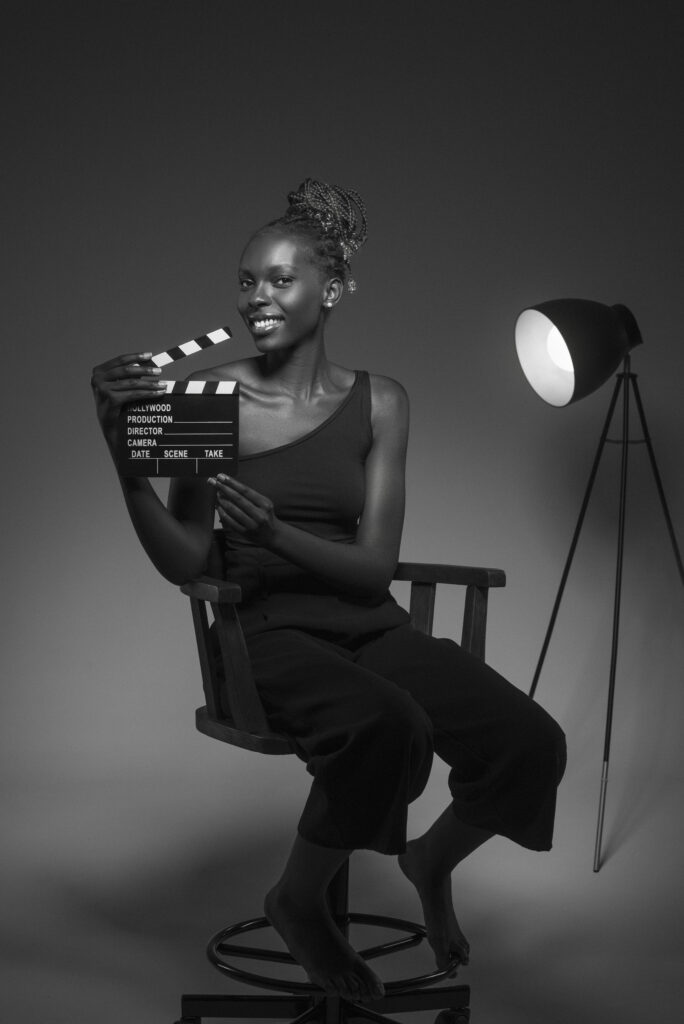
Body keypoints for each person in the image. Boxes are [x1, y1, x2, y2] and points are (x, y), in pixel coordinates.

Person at [91, 178, 566, 1005]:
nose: (256, 297)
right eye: (246, 280)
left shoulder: (383, 401)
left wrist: (276, 532)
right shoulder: (209, 397)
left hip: (369, 625)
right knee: (390, 726)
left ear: (334, 288)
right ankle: (298, 900)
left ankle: (431, 860)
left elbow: (376, 569)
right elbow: (185, 561)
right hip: (265, 635)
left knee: (531, 744)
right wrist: (127, 470)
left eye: (280, 279)